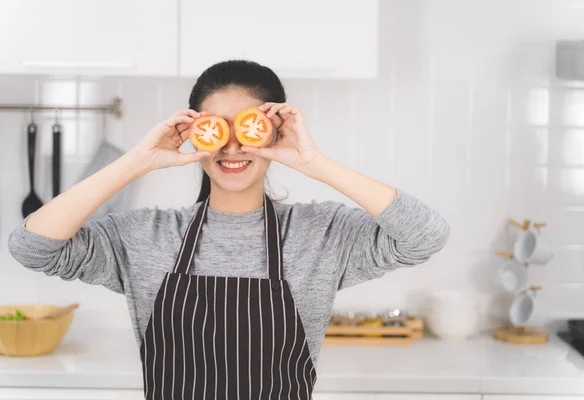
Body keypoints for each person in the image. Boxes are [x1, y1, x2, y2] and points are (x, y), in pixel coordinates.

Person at [8, 60, 450, 400]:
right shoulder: (147, 236)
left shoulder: (321, 234)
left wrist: (314, 162)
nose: (233, 145)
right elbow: (32, 247)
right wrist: (136, 162)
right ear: (195, 133)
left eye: (250, 127)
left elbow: (426, 235)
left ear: (275, 130)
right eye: (215, 128)